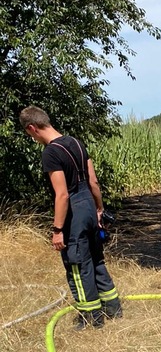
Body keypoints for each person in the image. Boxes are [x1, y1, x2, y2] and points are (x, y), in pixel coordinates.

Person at [20, 106, 122, 329]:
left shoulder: (50, 153)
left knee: (77, 265)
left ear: (32, 128)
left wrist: (57, 230)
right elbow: (93, 181)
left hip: (74, 212)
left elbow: (62, 194)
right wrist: (99, 209)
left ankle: (91, 318)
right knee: (96, 259)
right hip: (89, 205)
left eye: (30, 135)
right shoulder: (76, 142)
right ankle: (113, 308)